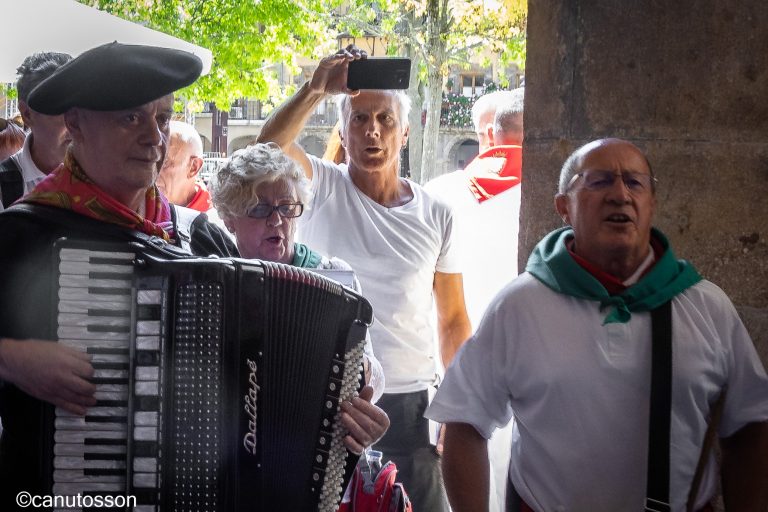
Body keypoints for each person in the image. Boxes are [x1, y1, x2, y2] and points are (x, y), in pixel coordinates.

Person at [426, 138, 768, 512]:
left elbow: (750, 426)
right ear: (564, 207)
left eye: (635, 182)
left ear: (651, 203)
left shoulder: (706, 306)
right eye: (599, 181)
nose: (620, 194)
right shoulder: (520, 306)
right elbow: (463, 422)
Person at [0, 42, 241, 506]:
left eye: (163, 119)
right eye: (131, 118)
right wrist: (9, 358)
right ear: (75, 125)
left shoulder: (196, 238)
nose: (155, 137)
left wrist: (346, 391)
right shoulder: (21, 234)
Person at [257, 45, 472, 511]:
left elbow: (453, 320)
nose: (372, 131)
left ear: (406, 131)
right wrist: (316, 88)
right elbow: (267, 147)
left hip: (413, 409)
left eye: (385, 119)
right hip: (332, 403)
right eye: (358, 119)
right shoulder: (321, 186)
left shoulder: (436, 214)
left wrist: (457, 410)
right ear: (342, 129)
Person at [210, 141, 386, 404]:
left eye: (287, 207)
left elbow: (373, 372)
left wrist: (365, 377)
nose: (277, 220)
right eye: (259, 208)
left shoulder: (332, 275)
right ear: (229, 220)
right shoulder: (213, 281)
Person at [424, 88, 524, 511]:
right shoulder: (562, 202)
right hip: (530, 381)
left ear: (488, 134)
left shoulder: (437, 193)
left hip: (452, 375)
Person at [0, 52, 72, 210]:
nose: (75, 123)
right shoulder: (3, 187)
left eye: (80, 108)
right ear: (27, 114)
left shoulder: (107, 179)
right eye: (61, 110)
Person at [156, 120, 214, 212]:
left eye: (164, 162)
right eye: (151, 161)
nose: (152, 171)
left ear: (194, 167)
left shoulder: (215, 221)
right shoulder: (140, 214)